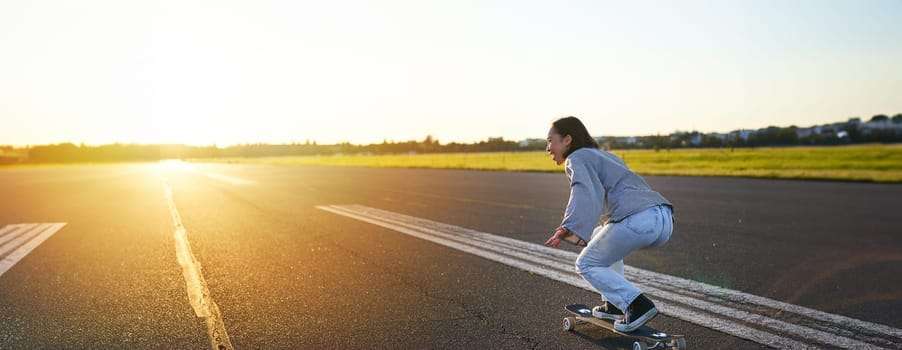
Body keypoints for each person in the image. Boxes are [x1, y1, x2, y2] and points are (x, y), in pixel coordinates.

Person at [543, 116, 674, 332]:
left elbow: (584, 191)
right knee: (598, 234)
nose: (548, 148)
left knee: (585, 264)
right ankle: (613, 304)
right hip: (662, 219)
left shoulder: (576, 157)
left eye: (550, 141)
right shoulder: (605, 156)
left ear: (567, 139)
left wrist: (568, 226)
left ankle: (636, 304)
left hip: (638, 219)